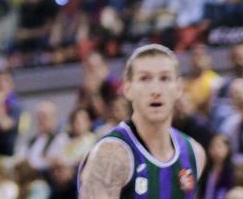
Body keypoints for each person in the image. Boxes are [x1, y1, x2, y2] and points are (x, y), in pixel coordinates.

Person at [77, 44, 205, 198]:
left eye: (164, 78)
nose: (156, 90)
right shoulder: (110, 156)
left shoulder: (195, 153)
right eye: (145, 79)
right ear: (128, 89)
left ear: (178, 88)